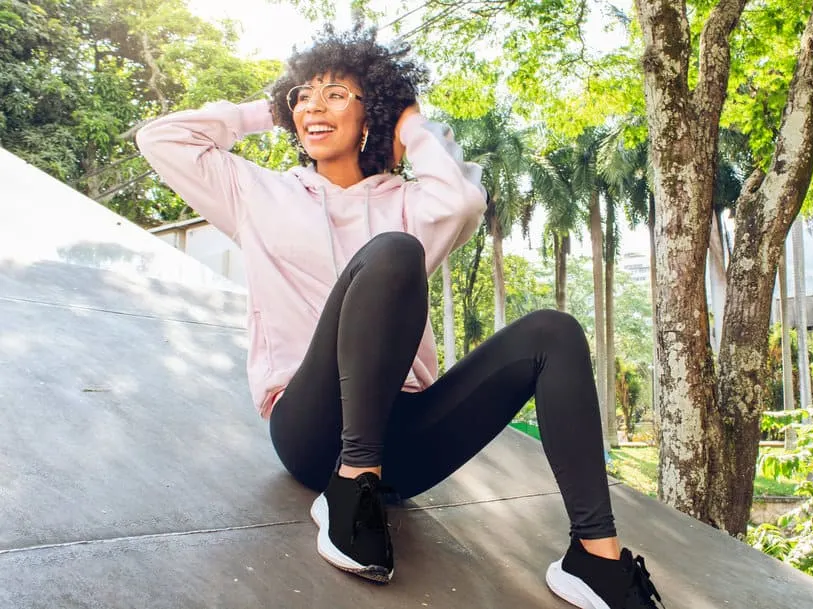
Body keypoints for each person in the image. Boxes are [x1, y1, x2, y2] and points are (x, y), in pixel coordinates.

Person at [136, 27, 663, 609]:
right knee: (395, 251)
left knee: (552, 331)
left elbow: (463, 200)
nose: (315, 104)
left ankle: (596, 558)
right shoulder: (256, 194)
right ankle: (347, 489)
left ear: (371, 118)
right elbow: (162, 138)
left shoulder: (407, 203)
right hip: (312, 433)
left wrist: (409, 124)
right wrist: (270, 108)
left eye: (337, 94)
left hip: (406, 446)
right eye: (303, 96)